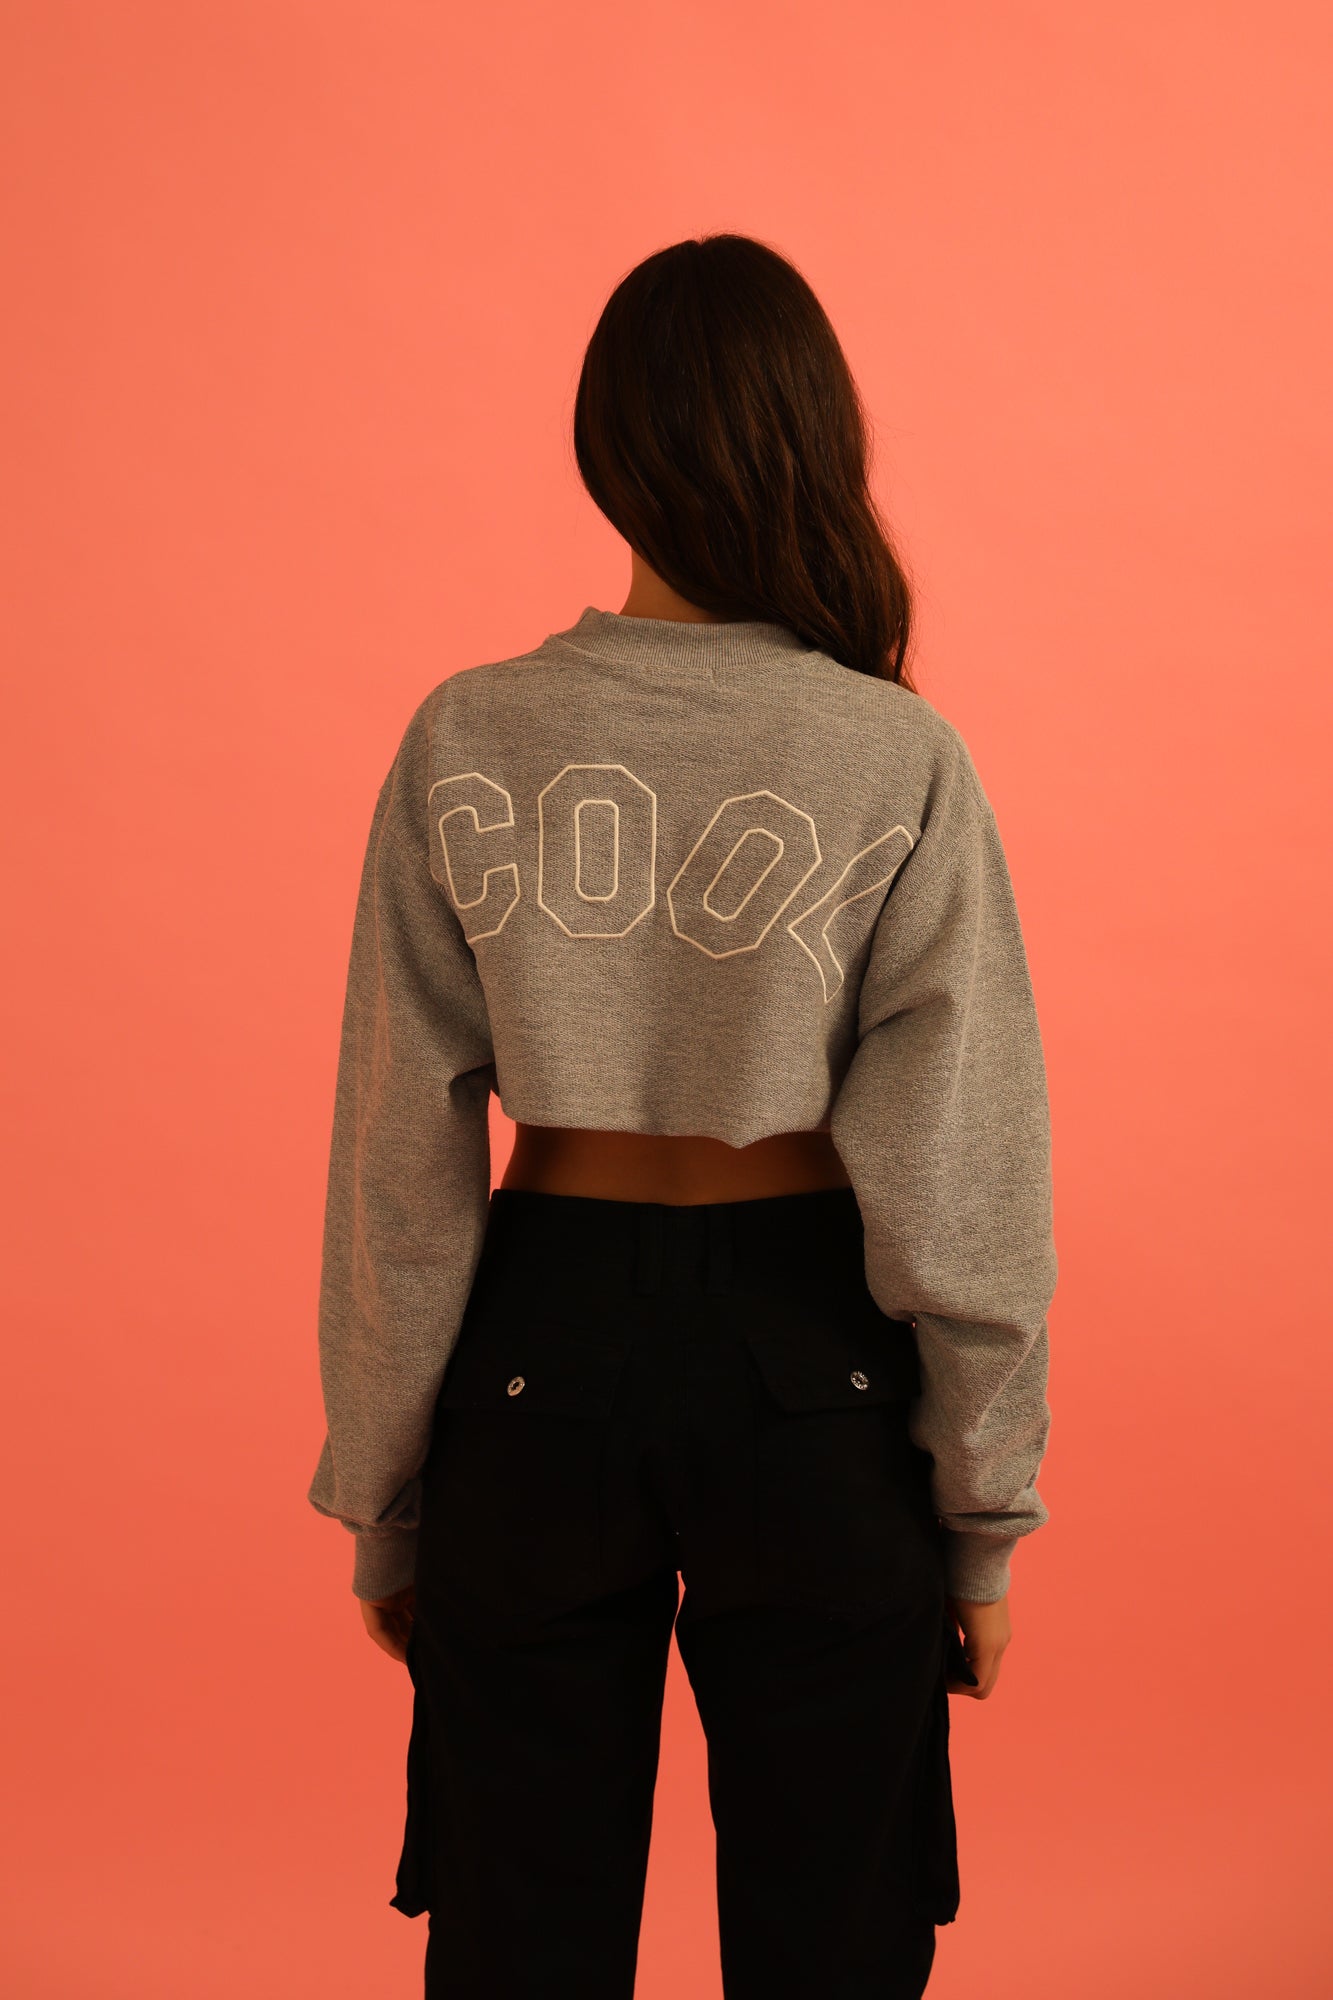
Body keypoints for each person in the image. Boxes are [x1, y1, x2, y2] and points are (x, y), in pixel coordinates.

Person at [306, 232, 1057, 1999]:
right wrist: (981, 1512)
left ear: (604, 446)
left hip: (537, 1352)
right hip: (811, 1359)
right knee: (835, 1927)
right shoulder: (892, 752)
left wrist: (387, 1491)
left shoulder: (468, 734)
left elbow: (399, 1159)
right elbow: (959, 1170)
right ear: (816, 440)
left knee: (517, 1927)